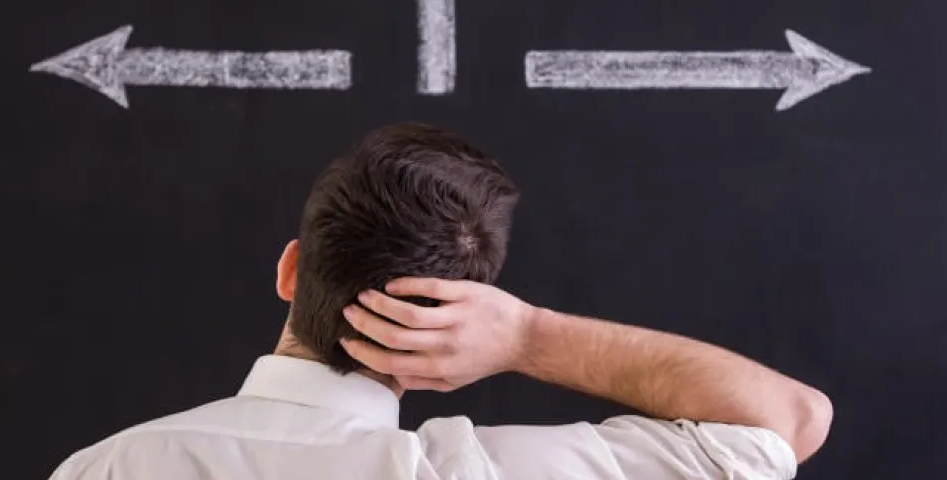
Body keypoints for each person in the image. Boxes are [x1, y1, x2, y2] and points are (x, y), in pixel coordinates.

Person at [48, 122, 833, 480]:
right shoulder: (485, 471)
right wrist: (530, 336)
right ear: (457, 323)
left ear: (292, 271)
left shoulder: (110, 467)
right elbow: (790, 422)